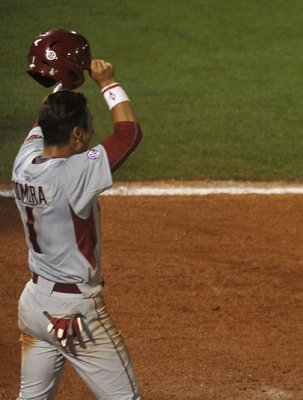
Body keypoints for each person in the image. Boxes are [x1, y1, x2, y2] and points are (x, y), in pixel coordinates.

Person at [13, 28, 143, 399]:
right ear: (78, 136)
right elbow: (128, 134)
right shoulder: (76, 173)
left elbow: (45, 119)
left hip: (34, 305)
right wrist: (108, 82)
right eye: (87, 126)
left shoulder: (24, 162)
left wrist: (63, 78)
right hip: (74, 314)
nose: (91, 130)